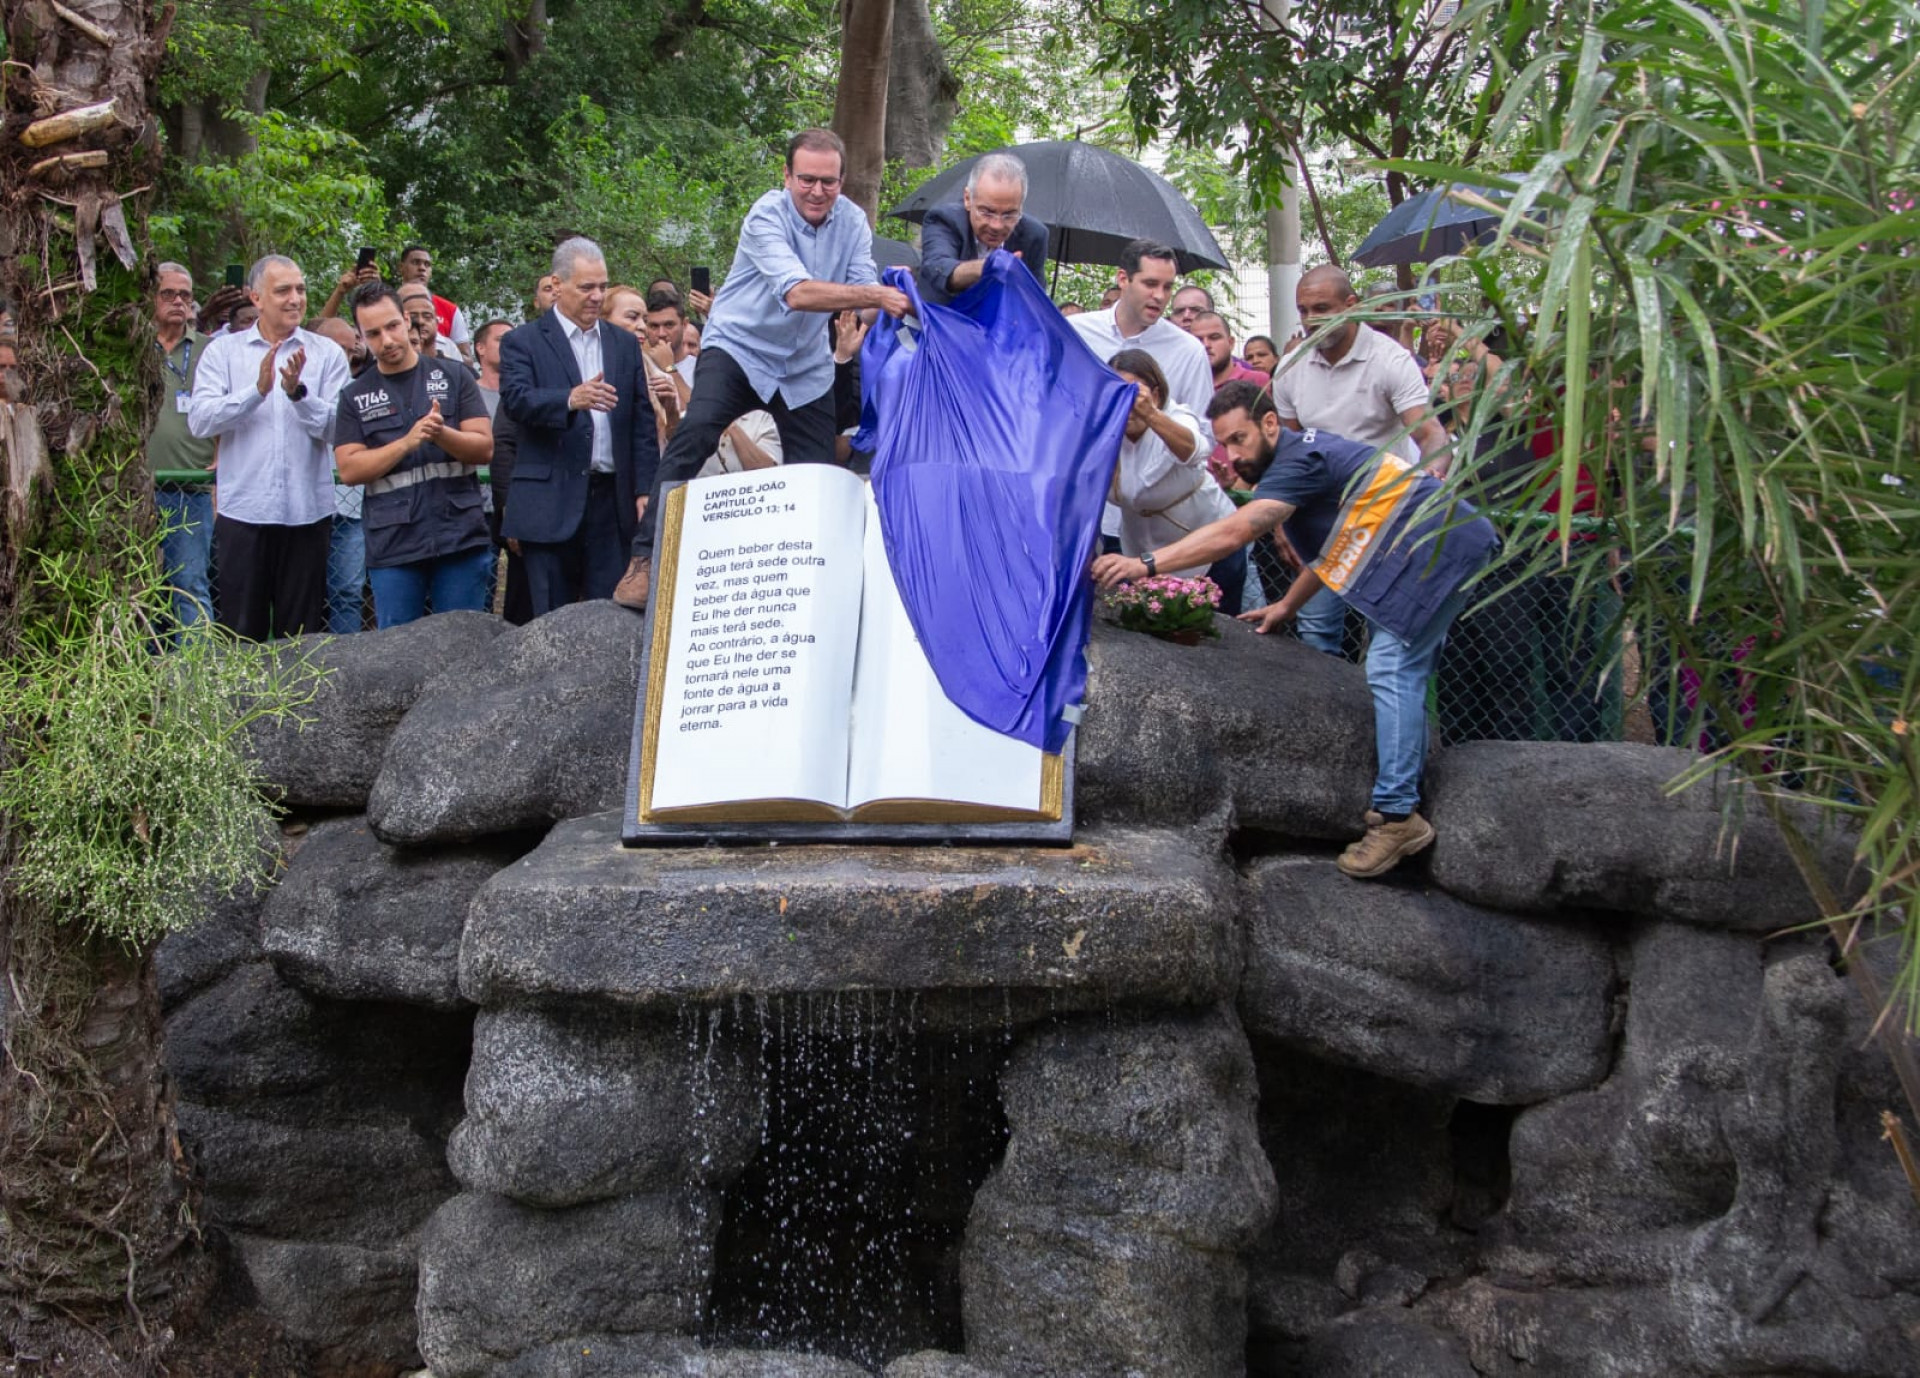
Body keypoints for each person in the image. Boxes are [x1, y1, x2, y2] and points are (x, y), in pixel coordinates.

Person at [1092, 379, 1496, 880]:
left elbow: (1239, 530)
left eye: (1239, 439)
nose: (1232, 455)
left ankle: (1397, 817)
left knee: (1393, 669)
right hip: (1429, 547)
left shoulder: (1300, 460)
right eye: (1223, 444)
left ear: (1269, 424)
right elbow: (1334, 549)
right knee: (1401, 672)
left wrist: (1146, 564)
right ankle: (1405, 794)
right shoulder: (1301, 461)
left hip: (1437, 547)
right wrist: (1286, 604)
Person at [612, 128, 911, 609]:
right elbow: (797, 293)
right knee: (697, 431)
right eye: (807, 179)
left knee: (817, 473)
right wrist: (877, 293)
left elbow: (863, 297)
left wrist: (884, 305)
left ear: (843, 181)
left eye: (829, 182)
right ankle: (645, 561)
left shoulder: (854, 222)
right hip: (740, 347)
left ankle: (814, 578)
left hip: (803, 364)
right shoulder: (765, 214)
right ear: (787, 176)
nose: (817, 191)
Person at [1270, 264, 1449, 657]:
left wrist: (1435, 472)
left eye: (1322, 308)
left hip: (1383, 515)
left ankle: (1383, 716)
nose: (1311, 319)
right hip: (1321, 518)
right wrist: (1284, 520)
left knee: (1388, 638)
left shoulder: (1390, 360)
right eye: (1303, 310)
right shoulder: (1290, 366)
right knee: (1316, 634)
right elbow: (1289, 447)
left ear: (1351, 306)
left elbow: (1430, 432)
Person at [188, 254, 350, 640]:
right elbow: (200, 420)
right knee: (242, 633)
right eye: (283, 291)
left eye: (301, 289)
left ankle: (298, 703)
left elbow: (340, 428)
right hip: (244, 513)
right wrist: (256, 392)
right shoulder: (223, 352)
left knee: (302, 635)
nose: (295, 299)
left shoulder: (326, 353)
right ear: (256, 298)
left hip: (307, 513)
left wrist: (298, 395)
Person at [499, 236, 659, 614]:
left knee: (612, 619)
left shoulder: (623, 343)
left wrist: (644, 490)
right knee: (551, 620)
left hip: (612, 503)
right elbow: (516, 400)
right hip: (550, 504)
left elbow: (641, 421)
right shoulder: (523, 342)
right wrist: (570, 399)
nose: (597, 296)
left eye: (602, 286)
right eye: (586, 287)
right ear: (556, 286)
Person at [333, 283, 495, 627]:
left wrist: (440, 433)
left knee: (463, 647)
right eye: (374, 333)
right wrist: (407, 442)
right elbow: (348, 469)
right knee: (400, 656)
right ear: (361, 336)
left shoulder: (454, 376)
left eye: (392, 326)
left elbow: (484, 447)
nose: (387, 340)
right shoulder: (354, 395)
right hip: (394, 544)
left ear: (407, 320)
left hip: (460, 537)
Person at [1105, 348, 1242, 608]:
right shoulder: (1105, 430)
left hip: (1206, 543)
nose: (1127, 404)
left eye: (1133, 393)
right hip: (1143, 551)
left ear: (1155, 394)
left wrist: (1150, 414)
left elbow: (1195, 451)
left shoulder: (1177, 416)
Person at [148, 263, 218, 636]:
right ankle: (144, 676)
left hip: (190, 488)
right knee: (141, 591)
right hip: (135, 491)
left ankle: (196, 680)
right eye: (168, 294)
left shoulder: (210, 350)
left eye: (185, 295)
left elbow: (228, 409)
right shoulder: (132, 346)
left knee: (189, 586)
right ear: (151, 298)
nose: (178, 301)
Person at [916, 152, 1049, 305]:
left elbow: (1035, 301)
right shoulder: (945, 219)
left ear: (1021, 207)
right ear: (967, 199)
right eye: (986, 212)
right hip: (941, 319)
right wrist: (987, 267)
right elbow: (937, 268)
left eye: (1009, 215)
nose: (996, 225)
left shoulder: (1034, 236)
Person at [310, 316, 374, 632]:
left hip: (350, 510)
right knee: (304, 592)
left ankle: (345, 662)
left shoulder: (362, 391)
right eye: (337, 348)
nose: (344, 358)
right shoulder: (293, 385)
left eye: (351, 351)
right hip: (305, 508)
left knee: (348, 592)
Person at [1189, 310, 1271, 489]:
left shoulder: (1258, 381)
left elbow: (1271, 441)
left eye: (1214, 337)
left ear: (1231, 342)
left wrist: (1241, 487)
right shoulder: (1184, 385)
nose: (1206, 345)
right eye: (1198, 340)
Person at [398, 244, 474, 366]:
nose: (422, 268)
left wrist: (441, 359)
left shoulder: (450, 310)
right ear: (401, 267)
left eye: (427, 265)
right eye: (416, 262)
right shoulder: (388, 305)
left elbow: (468, 360)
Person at [399, 281, 464, 365]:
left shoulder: (450, 349)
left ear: (436, 323)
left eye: (427, 317)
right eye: (413, 316)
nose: (420, 321)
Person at [474, 319, 511, 420]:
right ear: (481, 348)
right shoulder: (467, 394)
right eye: (501, 339)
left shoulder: (526, 392)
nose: (511, 344)